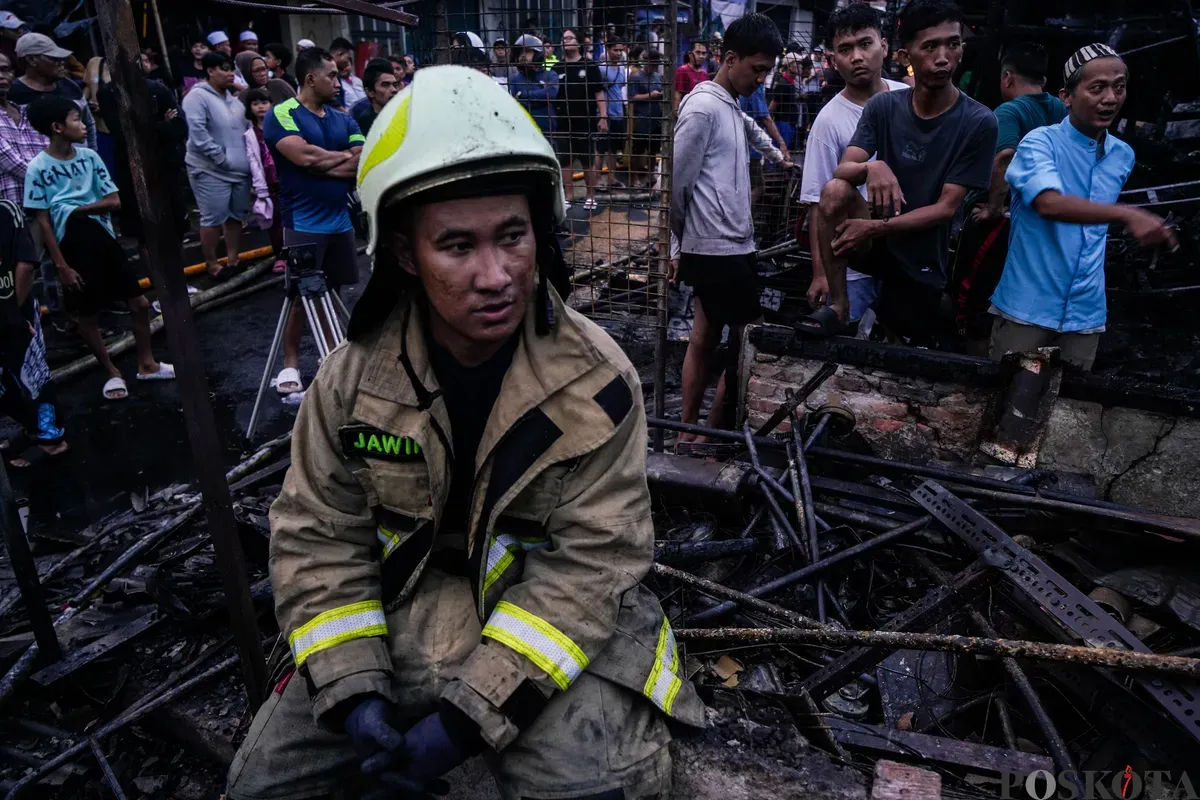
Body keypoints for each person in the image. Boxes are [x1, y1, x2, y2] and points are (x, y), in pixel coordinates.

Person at [224, 64, 703, 800]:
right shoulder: (350, 382)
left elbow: (591, 566)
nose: (496, 274)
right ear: (406, 254)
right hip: (400, 611)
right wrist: (354, 691)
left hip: (544, 619)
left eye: (513, 236)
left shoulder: (599, 382)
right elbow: (319, 534)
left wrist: (463, 723)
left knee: (602, 789)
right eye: (457, 246)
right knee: (263, 789)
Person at [813, 0, 997, 347]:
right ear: (904, 55)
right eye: (930, 46)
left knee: (902, 354)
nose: (942, 57)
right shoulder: (884, 106)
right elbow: (843, 168)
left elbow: (945, 209)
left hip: (924, 255)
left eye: (952, 44)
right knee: (836, 189)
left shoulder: (978, 122)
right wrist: (871, 166)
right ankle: (839, 307)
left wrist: (873, 226)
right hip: (878, 241)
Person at [989, 45, 1175, 370]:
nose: (1111, 98)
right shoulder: (1038, 143)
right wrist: (1128, 214)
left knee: (1071, 413)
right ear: (1066, 96)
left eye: (1119, 87)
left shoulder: (1122, 156)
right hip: (1027, 309)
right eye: (1097, 87)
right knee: (1008, 407)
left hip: (1086, 315)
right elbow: (1049, 204)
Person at [671, 14, 790, 442]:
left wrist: (778, 156)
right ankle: (708, 437)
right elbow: (675, 186)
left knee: (703, 336)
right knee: (748, 341)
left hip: (727, 245)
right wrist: (673, 247)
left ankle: (685, 434)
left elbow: (751, 128)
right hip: (715, 248)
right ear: (729, 59)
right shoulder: (702, 107)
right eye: (756, 69)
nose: (761, 79)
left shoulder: (727, 104)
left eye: (767, 70)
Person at [24, 96, 174, 401]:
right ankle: (112, 371)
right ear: (56, 127)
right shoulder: (37, 168)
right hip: (70, 247)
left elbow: (114, 200)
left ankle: (146, 363)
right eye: (76, 119)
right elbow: (43, 220)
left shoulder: (90, 157)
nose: (83, 125)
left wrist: (71, 208)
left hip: (102, 238)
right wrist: (61, 265)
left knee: (140, 303)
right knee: (87, 314)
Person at [952, 42, 1067, 350]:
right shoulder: (1058, 107)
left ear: (1006, 77)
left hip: (1002, 217)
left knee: (974, 286)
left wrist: (992, 207)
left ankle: (972, 345)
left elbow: (1004, 157)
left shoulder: (1009, 110)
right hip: (1038, 216)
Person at [263, 47, 363, 396]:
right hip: (303, 221)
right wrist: (337, 160)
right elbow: (301, 155)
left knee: (333, 290)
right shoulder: (282, 113)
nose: (338, 82)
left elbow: (360, 161)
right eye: (332, 75)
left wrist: (322, 162)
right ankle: (290, 363)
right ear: (310, 78)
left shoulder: (343, 117)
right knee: (298, 295)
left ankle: (330, 357)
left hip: (340, 222)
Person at [800, 3, 908, 325]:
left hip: (906, 247)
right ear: (834, 60)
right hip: (854, 262)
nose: (857, 56)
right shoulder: (828, 122)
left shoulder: (908, 98)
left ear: (884, 47)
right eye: (845, 49)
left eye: (865, 43)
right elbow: (818, 205)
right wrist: (821, 275)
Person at [97, 52, 189, 248]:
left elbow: (179, 127)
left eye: (144, 60)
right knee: (145, 233)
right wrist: (159, 125)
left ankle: (177, 277)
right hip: (133, 170)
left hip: (166, 166)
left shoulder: (158, 89)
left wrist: (150, 128)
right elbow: (124, 134)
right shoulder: (108, 93)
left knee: (176, 226)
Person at [182, 50, 252, 281]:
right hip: (210, 169)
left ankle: (233, 259)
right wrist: (221, 159)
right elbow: (199, 135)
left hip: (239, 171)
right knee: (213, 217)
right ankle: (212, 263)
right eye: (224, 68)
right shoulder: (196, 97)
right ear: (210, 71)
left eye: (232, 68)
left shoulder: (233, 99)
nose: (230, 73)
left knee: (235, 216)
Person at [10, 33, 96, 150]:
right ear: (31, 60)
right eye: (53, 58)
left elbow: (88, 123)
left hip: (80, 161)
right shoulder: (14, 94)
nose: (61, 62)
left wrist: (92, 155)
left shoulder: (70, 86)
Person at [553, 29, 607, 210]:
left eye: (570, 38)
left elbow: (599, 93)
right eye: (564, 38)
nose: (566, 41)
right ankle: (568, 196)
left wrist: (603, 117)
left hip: (585, 120)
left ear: (578, 42)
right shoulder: (556, 68)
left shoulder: (590, 66)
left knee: (587, 160)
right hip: (563, 121)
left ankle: (590, 196)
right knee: (565, 160)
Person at [0, 53, 47, 206]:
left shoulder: (28, 113)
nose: (1, 76)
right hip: (10, 215)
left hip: (47, 208)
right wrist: (58, 183)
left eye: (5, 69)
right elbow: (13, 164)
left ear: (13, 75)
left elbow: (50, 154)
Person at [508, 35, 559, 144]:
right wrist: (540, 96)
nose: (522, 55)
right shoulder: (514, 80)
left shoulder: (550, 75)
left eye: (527, 51)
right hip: (523, 135)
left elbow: (551, 94)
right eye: (520, 52)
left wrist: (523, 95)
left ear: (537, 55)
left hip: (546, 134)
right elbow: (515, 103)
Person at [628, 48, 663, 189]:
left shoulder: (658, 77)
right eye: (652, 63)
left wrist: (660, 94)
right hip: (641, 119)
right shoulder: (635, 77)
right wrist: (650, 95)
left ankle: (650, 173)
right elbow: (631, 97)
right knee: (638, 150)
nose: (653, 67)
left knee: (653, 149)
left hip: (655, 118)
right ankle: (634, 177)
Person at [595, 37, 626, 190]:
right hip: (605, 114)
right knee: (600, 149)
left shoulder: (621, 69)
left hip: (618, 113)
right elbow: (597, 91)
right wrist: (602, 115)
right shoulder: (601, 69)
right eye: (616, 50)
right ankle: (598, 179)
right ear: (608, 50)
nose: (619, 53)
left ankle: (612, 178)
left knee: (614, 148)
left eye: (621, 50)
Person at [349, 58, 399, 135]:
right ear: (370, 92)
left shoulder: (405, 116)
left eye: (395, 85)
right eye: (385, 85)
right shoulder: (363, 124)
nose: (394, 90)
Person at [769, 52, 803, 148]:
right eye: (797, 63)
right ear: (788, 65)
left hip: (789, 124)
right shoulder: (783, 83)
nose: (800, 66)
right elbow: (773, 104)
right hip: (783, 124)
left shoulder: (791, 83)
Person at [673, 40, 709, 113]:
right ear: (690, 54)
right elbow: (677, 97)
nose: (701, 56)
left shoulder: (704, 74)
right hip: (686, 113)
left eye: (704, 53)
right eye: (698, 52)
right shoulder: (682, 70)